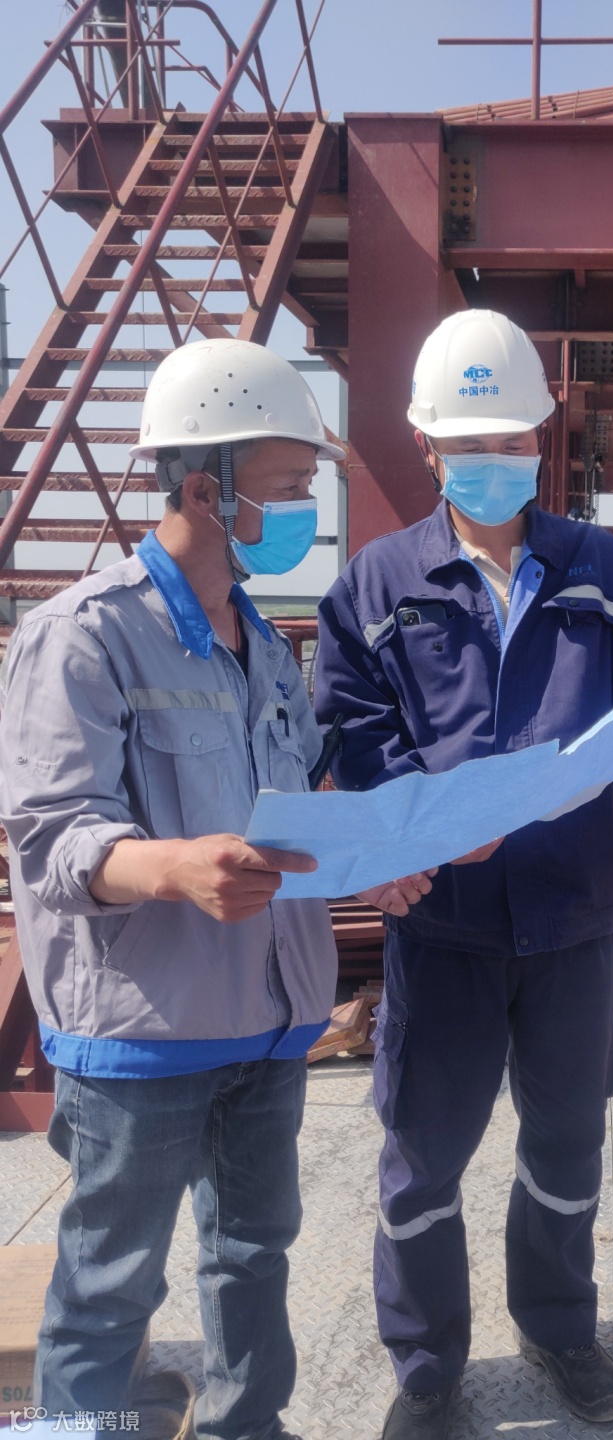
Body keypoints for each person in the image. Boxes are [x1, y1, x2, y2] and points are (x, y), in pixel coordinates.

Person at [315, 310, 613, 1439]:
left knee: (567, 1143)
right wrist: (414, 828)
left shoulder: (601, 568)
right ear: (427, 446)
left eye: (512, 439)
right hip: (448, 926)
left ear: (541, 437)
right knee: (423, 1157)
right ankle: (428, 1370)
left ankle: (560, 1329)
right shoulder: (377, 583)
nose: (494, 459)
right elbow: (353, 731)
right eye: (468, 443)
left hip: (576, 916)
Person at [0, 338, 378, 1438]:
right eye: (289, 485)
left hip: (268, 1018)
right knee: (109, 1283)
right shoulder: (82, 637)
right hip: (145, 1034)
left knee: (254, 1253)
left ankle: (245, 1427)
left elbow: (287, 804)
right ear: (206, 491)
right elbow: (53, 841)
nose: (305, 507)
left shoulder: (263, 643)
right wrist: (172, 867)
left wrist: (374, 852)